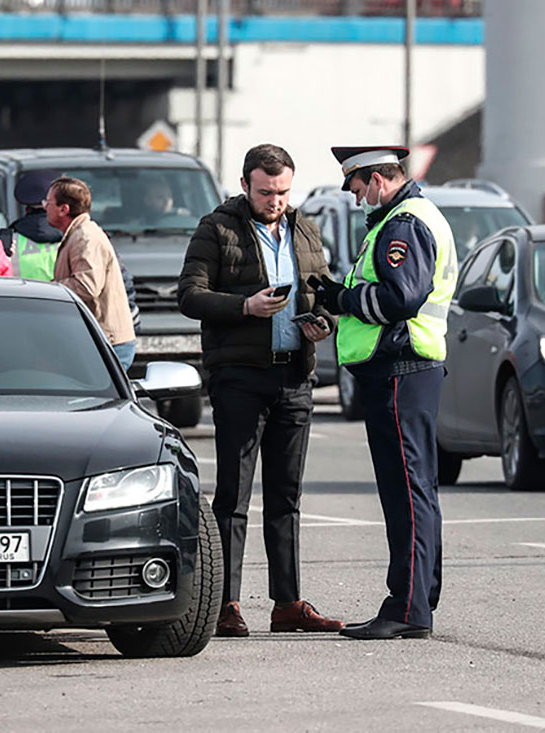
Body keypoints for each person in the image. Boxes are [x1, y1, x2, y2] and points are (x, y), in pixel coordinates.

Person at [177, 143, 342, 637]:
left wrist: (324, 323)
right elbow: (189, 294)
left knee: (287, 496)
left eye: (284, 192)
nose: (276, 201)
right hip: (240, 377)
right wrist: (244, 308)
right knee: (232, 495)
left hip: (294, 375)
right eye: (267, 191)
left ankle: (287, 603)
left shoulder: (304, 227)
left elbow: (324, 288)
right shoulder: (217, 227)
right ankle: (225, 603)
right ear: (246, 183)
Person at [312, 145, 458, 640]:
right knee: (414, 491)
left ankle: (409, 608)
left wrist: (341, 298)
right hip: (404, 370)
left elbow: (400, 298)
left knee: (407, 492)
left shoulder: (403, 224)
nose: (356, 199)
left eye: (356, 188)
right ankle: (413, 600)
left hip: (401, 367)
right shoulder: (406, 217)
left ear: (376, 179)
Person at [45, 177, 137, 370]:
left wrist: (51, 289)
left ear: (64, 209)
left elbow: (87, 286)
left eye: (49, 203)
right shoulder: (78, 233)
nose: (44, 207)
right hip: (98, 341)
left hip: (107, 343)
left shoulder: (84, 237)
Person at [1, 169, 64, 281]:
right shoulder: (71, 237)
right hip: (62, 298)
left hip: (20, 297)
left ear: (26, 209)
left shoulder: (9, 240)